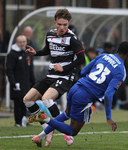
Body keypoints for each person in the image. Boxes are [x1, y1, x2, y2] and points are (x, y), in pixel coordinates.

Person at [27, 41, 128, 147]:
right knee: (73, 131)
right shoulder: (121, 71)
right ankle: (45, 119)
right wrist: (108, 117)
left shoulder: (104, 56)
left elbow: (83, 72)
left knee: (66, 114)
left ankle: (40, 137)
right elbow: (108, 95)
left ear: (118, 50)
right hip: (84, 97)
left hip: (75, 88)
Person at [23, 8, 85, 146]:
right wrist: (36, 53)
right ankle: (47, 128)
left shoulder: (72, 38)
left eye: (65, 24)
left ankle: (64, 133)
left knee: (46, 99)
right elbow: (47, 50)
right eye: (60, 24)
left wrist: (64, 68)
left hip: (65, 77)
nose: (62, 27)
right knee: (27, 99)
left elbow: (81, 58)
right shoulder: (50, 34)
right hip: (51, 74)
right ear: (55, 23)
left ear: (68, 24)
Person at [6, 35, 35, 127]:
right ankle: (18, 122)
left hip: (26, 83)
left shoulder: (28, 54)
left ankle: (24, 120)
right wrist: (13, 83)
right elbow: (9, 70)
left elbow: (31, 70)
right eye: (20, 42)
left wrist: (33, 83)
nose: (22, 44)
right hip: (17, 84)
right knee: (18, 103)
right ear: (17, 43)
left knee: (26, 103)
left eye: (24, 42)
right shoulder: (12, 54)